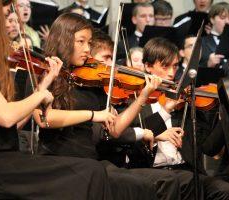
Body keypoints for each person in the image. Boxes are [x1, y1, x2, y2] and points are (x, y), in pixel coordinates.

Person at [0, 1, 113, 199]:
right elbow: (5, 116)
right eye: (5, 15)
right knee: (89, 172)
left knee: (93, 172)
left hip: (4, 156)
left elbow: (12, 124)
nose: (9, 23)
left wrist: (43, 86)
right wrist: (39, 95)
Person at [36, 13, 183, 200]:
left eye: (89, 43)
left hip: (90, 163)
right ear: (63, 40)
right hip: (58, 162)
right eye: (81, 41)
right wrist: (92, 115)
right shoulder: (44, 73)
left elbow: (114, 130)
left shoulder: (92, 81)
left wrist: (142, 96)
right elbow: (44, 119)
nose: (87, 50)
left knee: (156, 183)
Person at [129, 37, 229, 200]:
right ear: (148, 66)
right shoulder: (136, 102)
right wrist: (166, 109)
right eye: (165, 66)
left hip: (186, 170)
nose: (171, 73)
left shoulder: (184, 102)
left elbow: (209, 148)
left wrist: (225, 117)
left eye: (175, 66)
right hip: (151, 172)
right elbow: (139, 145)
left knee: (224, 189)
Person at [199, 2, 229, 68]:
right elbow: (191, 70)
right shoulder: (200, 42)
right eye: (222, 17)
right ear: (212, 19)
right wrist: (208, 64)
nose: (227, 22)